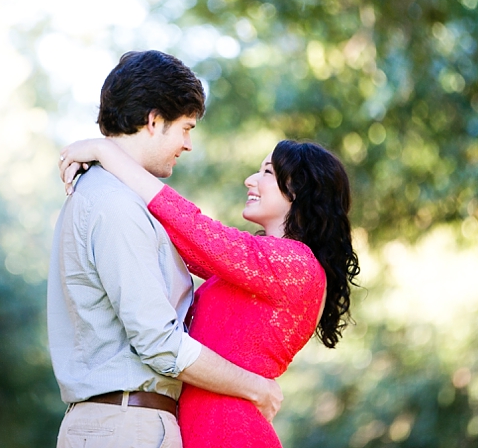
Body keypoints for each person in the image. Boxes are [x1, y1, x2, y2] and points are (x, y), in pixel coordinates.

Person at [58, 136, 360, 448]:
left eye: (267, 172)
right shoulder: (259, 267)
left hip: (229, 432)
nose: (251, 179)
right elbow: (179, 237)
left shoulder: (295, 265)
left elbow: (191, 226)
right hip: (201, 427)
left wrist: (105, 151)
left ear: (299, 189)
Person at [46, 50, 282, 448]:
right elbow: (159, 342)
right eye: (185, 128)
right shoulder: (116, 205)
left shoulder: (116, 196)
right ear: (154, 121)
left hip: (124, 423)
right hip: (124, 427)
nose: (188, 144)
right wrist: (255, 387)